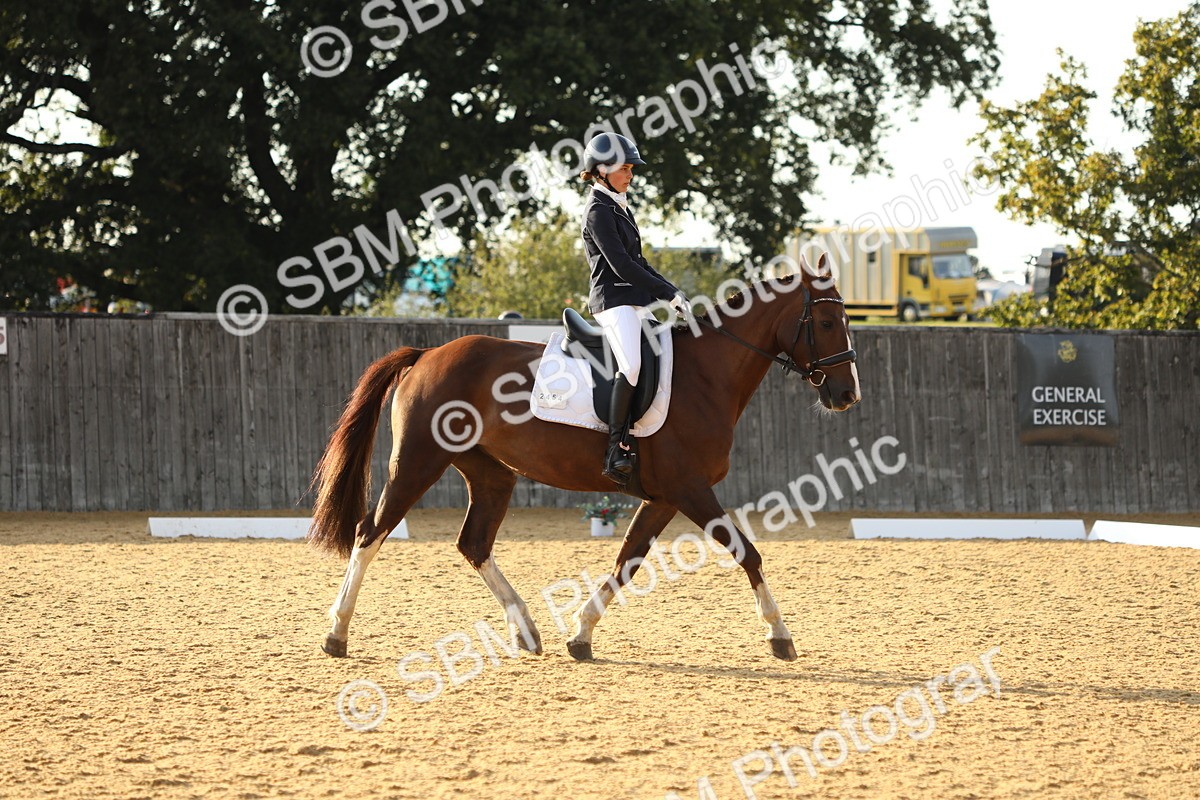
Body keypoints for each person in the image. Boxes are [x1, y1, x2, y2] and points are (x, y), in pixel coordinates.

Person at [579, 132, 689, 485]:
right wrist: (665, 293)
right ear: (601, 171)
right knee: (632, 365)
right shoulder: (598, 211)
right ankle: (615, 449)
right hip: (612, 302)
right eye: (625, 169)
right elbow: (623, 267)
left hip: (635, 301)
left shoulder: (619, 206)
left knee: (669, 353)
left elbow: (640, 262)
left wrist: (673, 292)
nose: (631, 175)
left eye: (630, 169)